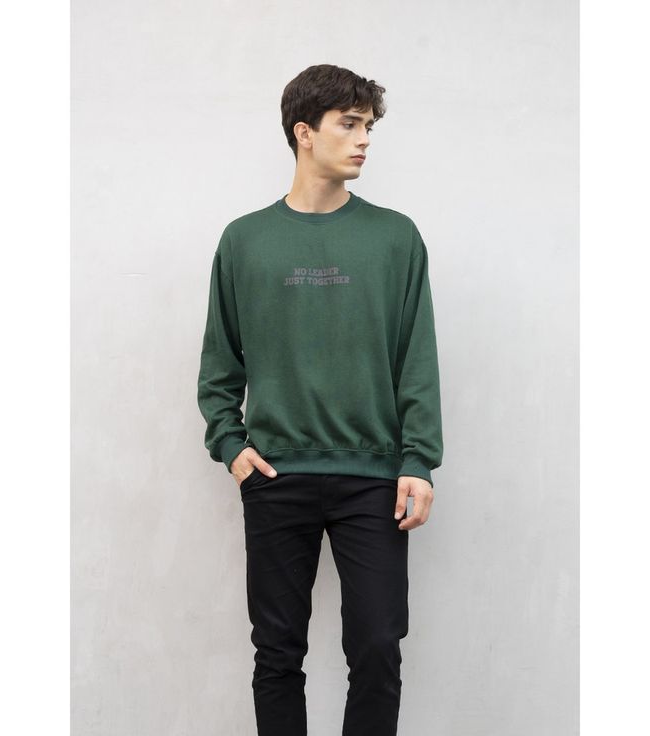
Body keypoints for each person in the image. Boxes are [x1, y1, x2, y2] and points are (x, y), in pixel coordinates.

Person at [197, 63, 443, 736]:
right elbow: (220, 362)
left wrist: (418, 460)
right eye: (349, 124)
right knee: (277, 654)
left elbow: (416, 358)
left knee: (377, 650)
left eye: (369, 127)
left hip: (375, 479)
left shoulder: (395, 237)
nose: (364, 140)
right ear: (304, 133)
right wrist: (232, 446)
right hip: (276, 475)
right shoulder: (245, 240)